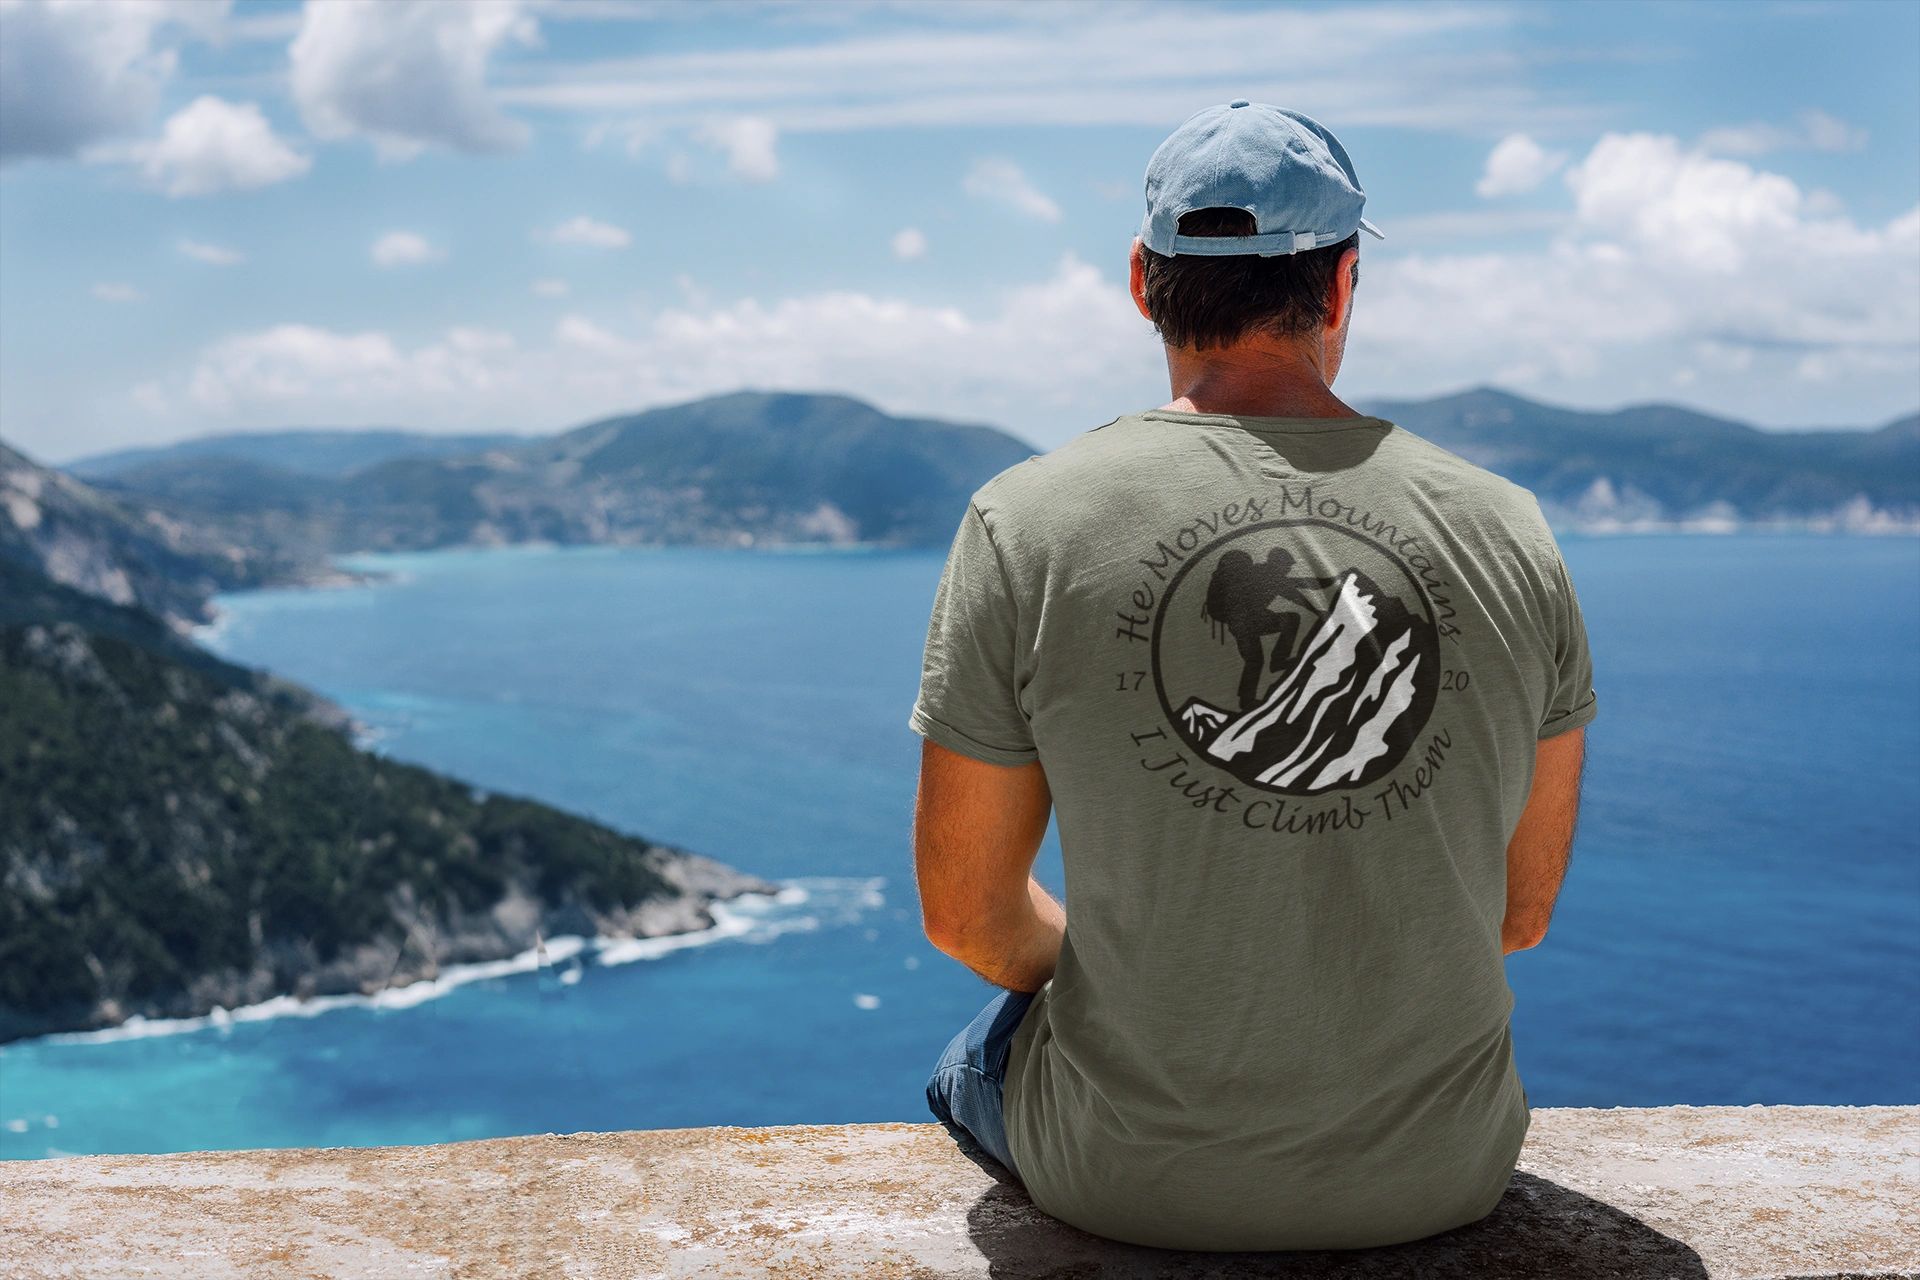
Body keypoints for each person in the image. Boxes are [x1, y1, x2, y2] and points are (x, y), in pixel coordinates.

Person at [910, 101, 1597, 1252]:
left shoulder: (1025, 522)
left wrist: (1141, 971)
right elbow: (1518, 913)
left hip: (1124, 1180)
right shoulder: (1508, 530)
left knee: (970, 1053)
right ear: (1339, 288)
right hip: (1442, 1172)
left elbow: (968, 914)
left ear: (1143, 282)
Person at [1203, 545, 1343, 709]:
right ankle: (1276, 663)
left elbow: (1302, 587)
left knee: (1256, 658)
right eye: (1287, 567)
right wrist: (1331, 588)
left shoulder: (1267, 574)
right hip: (1243, 620)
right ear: (1279, 563)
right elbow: (1301, 592)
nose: (1289, 570)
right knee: (1258, 655)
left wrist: (1334, 580)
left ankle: (1250, 695)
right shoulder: (1266, 576)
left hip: (1245, 620)